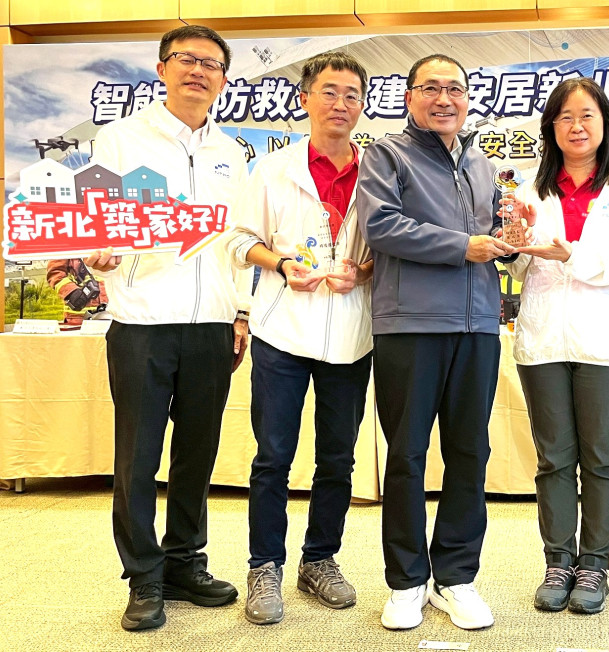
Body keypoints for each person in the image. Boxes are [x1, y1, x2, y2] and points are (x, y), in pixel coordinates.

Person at [85, 25, 251, 632]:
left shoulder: (231, 152)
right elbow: (95, 224)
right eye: (186, 59)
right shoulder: (121, 138)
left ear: (224, 80)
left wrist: (240, 311)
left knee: (197, 452)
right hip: (143, 321)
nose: (198, 71)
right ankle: (143, 576)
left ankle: (184, 561)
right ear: (162, 69)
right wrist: (98, 254)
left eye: (211, 64)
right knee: (138, 456)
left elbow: (239, 239)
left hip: (212, 324)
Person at [357, 53, 517, 631]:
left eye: (456, 89)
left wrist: (511, 236)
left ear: (468, 99)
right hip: (411, 324)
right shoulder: (386, 154)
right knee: (406, 455)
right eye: (431, 88)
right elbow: (381, 225)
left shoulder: (480, 161)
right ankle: (406, 581)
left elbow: (491, 234)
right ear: (409, 97)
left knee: (470, 453)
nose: (444, 99)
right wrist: (462, 246)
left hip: (478, 325)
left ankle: (456, 577)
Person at [226, 52, 374, 626]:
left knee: (338, 457)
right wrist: (282, 264)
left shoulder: (377, 170)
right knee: (273, 456)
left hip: (352, 334)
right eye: (329, 92)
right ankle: (264, 565)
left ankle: (320, 559)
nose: (341, 104)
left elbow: (390, 244)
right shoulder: (272, 169)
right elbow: (239, 241)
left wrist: (363, 271)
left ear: (363, 106)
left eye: (352, 95)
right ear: (305, 99)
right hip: (281, 330)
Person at [503, 78, 609, 614]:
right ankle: (557, 561)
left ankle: (594, 565)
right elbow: (519, 267)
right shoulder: (531, 191)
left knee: (601, 458)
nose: (576, 126)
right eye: (565, 117)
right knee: (553, 459)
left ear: (606, 126)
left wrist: (571, 256)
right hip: (543, 339)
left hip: (606, 342)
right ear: (551, 128)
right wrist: (516, 244)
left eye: (587, 115)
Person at [46, 258, 108, 326]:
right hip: (78, 318)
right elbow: (55, 273)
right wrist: (71, 292)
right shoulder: (67, 251)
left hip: (111, 315)